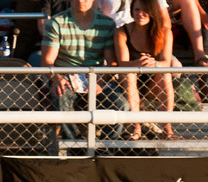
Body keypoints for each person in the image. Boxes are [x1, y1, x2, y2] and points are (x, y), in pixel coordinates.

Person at [39, 0, 126, 140]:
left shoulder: (107, 24)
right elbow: (47, 61)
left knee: (121, 104)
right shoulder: (56, 22)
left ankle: (106, 148)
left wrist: (101, 82)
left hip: (96, 75)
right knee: (60, 98)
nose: (80, 1)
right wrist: (57, 78)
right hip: (65, 74)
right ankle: (74, 145)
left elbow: (111, 63)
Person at [116, 0, 177, 138]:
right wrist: (138, 63)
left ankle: (167, 129)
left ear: (153, 12)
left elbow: (166, 62)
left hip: (152, 82)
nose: (140, 14)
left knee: (165, 74)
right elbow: (122, 63)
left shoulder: (164, 32)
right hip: (128, 81)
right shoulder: (122, 31)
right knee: (129, 74)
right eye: (137, 10)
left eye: (145, 10)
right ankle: (135, 127)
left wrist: (152, 63)